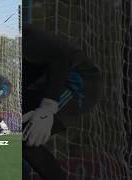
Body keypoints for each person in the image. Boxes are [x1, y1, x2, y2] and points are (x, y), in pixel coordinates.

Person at [22, 24, 102, 180]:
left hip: (78, 81)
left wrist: (47, 107)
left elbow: (61, 56)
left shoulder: (24, 34)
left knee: (25, 135)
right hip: (45, 84)